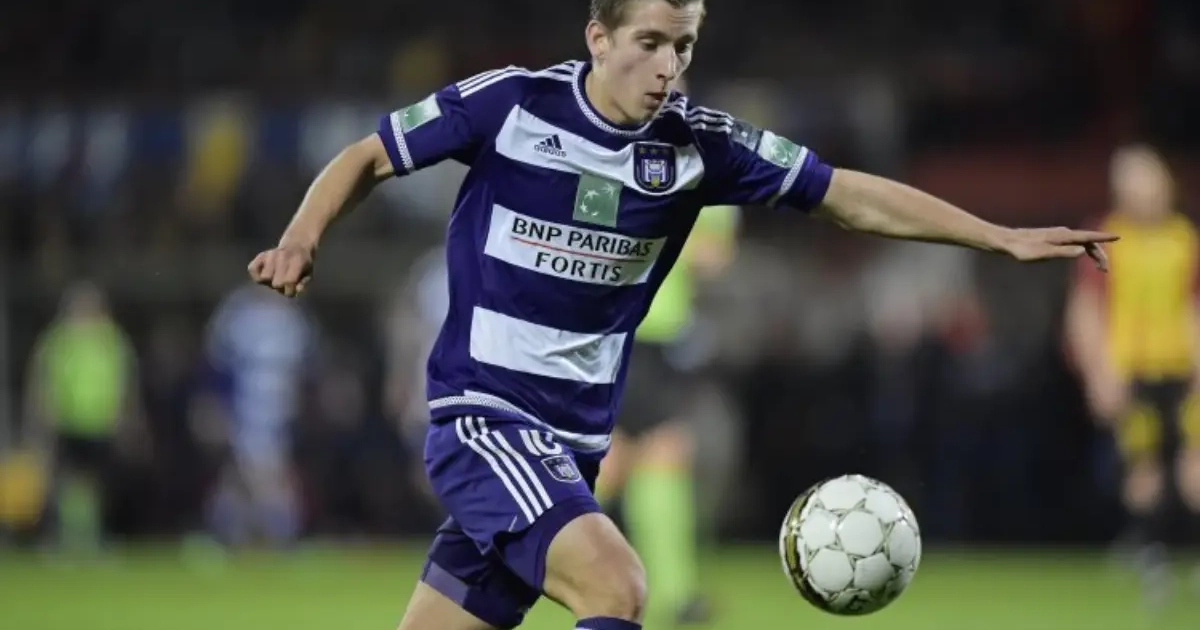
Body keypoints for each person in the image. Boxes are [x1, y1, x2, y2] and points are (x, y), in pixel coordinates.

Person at [249, 2, 1115, 628]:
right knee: (618, 586)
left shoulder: (701, 146)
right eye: (651, 42)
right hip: (486, 418)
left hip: (576, 441)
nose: (669, 66)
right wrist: (300, 237)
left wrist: (998, 237)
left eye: (685, 46)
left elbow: (846, 196)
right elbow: (369, 154)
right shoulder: (513, 105)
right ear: (598, 37)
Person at [1065, 144, 1200, 604]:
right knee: (1143, 468)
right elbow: (1086, 310)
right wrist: (1097, 372)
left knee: (1194, 467)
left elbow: (1193, 308)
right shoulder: (1106, 238)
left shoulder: (1184, 238)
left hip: (1180, 369)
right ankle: (1154, 557)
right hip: (1131, 370)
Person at [594, 202, 738, 626]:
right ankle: (516, 555)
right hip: (618, 330)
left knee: (657, 456)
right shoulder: (609, 170)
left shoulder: (706, 175)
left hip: (657, 339)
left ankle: (677, 595)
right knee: (617, 459)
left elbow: (714, 255)